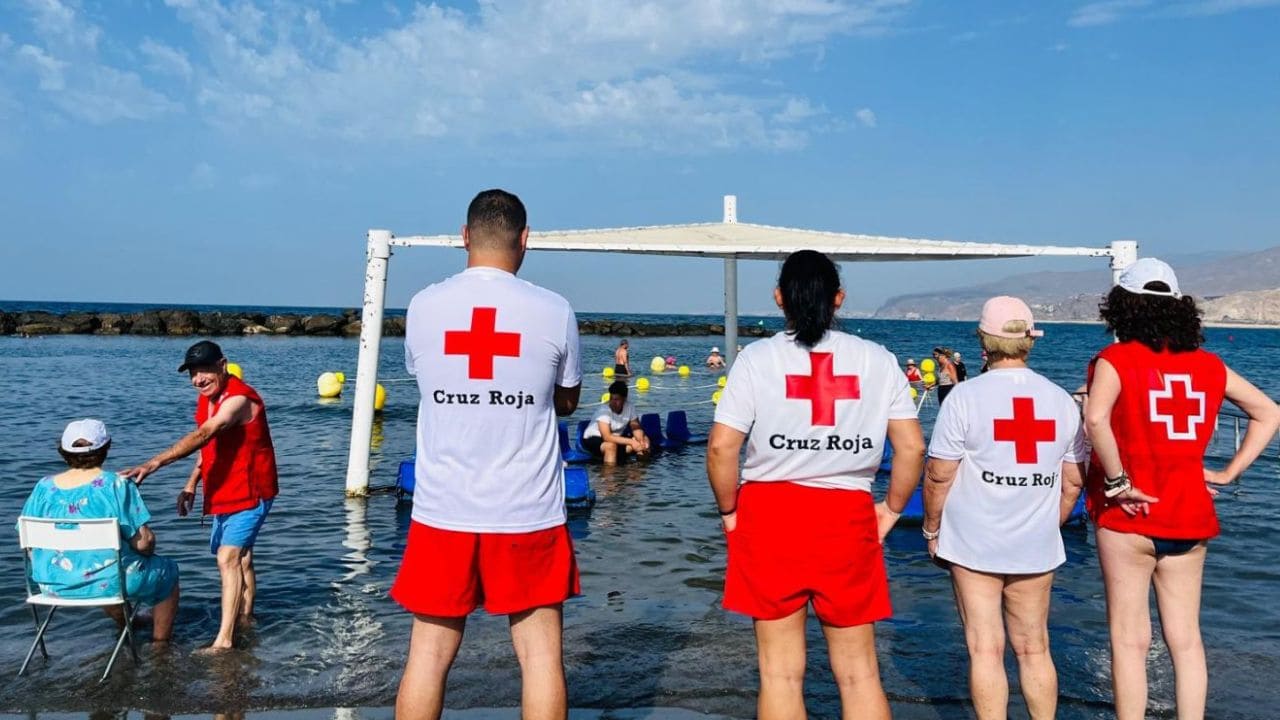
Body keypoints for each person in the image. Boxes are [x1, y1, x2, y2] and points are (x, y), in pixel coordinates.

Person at [707, 250, 926, 720]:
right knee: (859, 673)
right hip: (846, 515)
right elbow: (911, 449)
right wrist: (890, 510)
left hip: (768, 515)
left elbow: (723, 449)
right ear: (839, 299)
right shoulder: (878, 360)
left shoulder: (756, 359)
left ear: (779, 298)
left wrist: (729, 512)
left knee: (780, 673)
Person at [393, 189, 583, 720]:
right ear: (526, 241)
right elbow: (565, 400)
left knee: (427, 658)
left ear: (464, 236)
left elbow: (426, 379)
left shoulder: (424, 305)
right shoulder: (554, 309)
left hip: (441, 510)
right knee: (542, 658)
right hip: (528, 511)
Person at [1082, 258, 1280, 720]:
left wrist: (1117, 481)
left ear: (1122, 308)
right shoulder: (1210, 366)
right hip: (1190, 512)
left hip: (1127, 516)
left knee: (1130, 641)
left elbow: (1095, 420)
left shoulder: (1115, 359)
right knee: (1186, 640)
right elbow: (1269, 412)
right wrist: (1230, 473)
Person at [922, 297, 1087, 720]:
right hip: (1035, 544)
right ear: (1029, 342)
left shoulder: (964, 398)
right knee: (1035, 648)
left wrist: (931, 529)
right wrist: (1050, 524)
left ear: (984, 341)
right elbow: (1072, 482)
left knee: (984, 648)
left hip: (973, 540)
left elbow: (939, 476)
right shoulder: (1060, 401)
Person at [123, 340, 278, 652]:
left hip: (252, 490)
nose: (198, 379)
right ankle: (246, 616)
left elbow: (203, 435)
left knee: (228, 558)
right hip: (224, 489)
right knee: (241, 558)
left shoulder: (238, 400)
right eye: (193, 373)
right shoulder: (208, 399)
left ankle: (224, 641)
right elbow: (209, 447)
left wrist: (153, 463)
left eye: (205, 370)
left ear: (223, 365)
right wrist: (192, 482)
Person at [21, 420, 180, 642]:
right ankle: (160, 647)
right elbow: (144, 543)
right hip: (105, 581)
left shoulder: (43, 487)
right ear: (106, 448)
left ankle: (127, 625)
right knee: (167, 572)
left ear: (63, 451)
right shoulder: (116, 484)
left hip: (51, 583)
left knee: (102, 565)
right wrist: (147, 547)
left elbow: (28, 542)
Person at [582, 380, 650, 464]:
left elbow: (636, 428)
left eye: (616, 399)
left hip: (616, 437)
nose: (613, 402)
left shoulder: (630, 407)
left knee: (645, 440)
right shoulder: (603, 411)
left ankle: (641, 470)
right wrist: (632, 442)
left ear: (624, 399)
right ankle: (609, 475)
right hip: (594, 438)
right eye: (611, 398)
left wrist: (641, 441)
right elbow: (607, 437)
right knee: (610, 446)